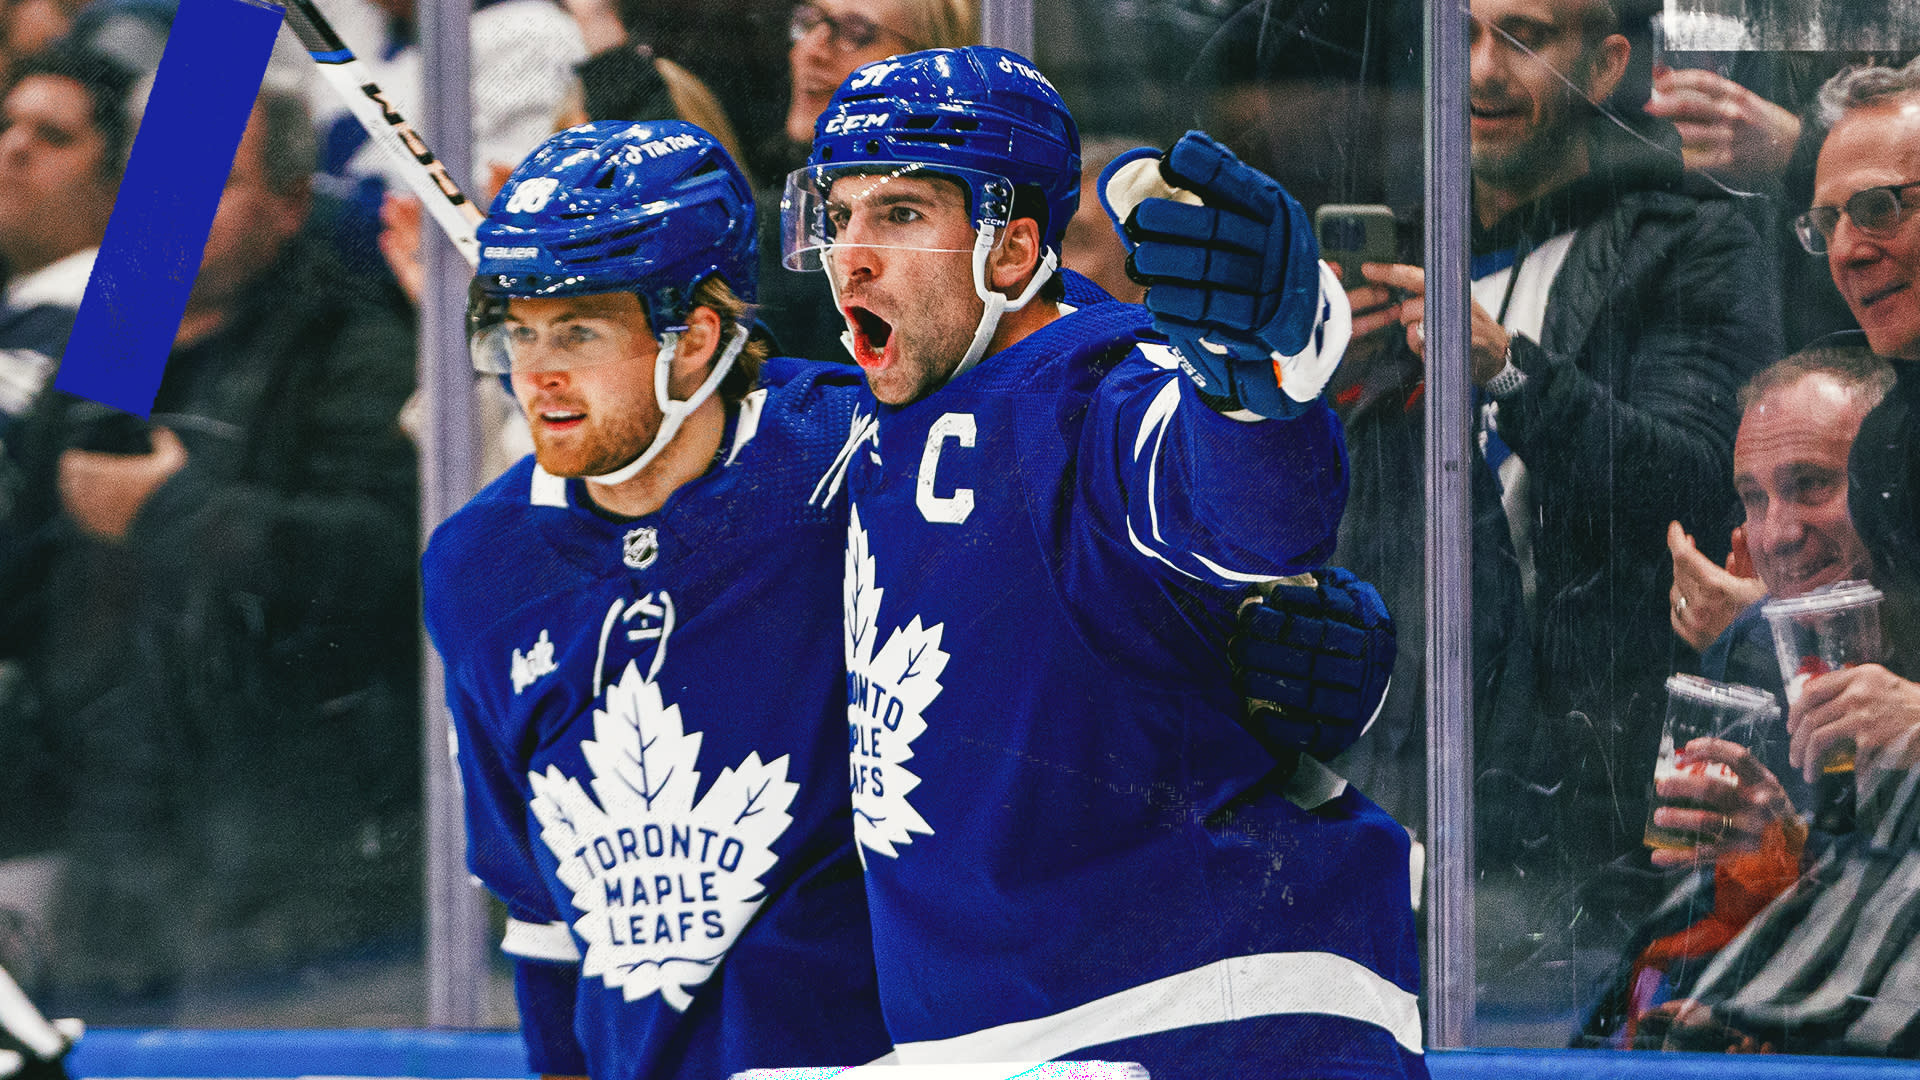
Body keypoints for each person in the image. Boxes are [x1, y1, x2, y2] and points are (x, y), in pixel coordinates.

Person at [783, 45, 1422, 1077]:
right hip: (1007, 1035)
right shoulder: (865, 419)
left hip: (1205, 1015)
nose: (851, 253)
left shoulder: (1093, 381)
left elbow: (1239, 506)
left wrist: (1264, 371)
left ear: (1011, 248)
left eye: (899, 215)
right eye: (839, 214)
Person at [420, 119, 891, 1079]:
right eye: (519, 332)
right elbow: (542, 910)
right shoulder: (479, 563)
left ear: (696, 340)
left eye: (580, 332)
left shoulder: (855, 454)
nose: (536, 374)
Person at [0, 84, 420, 998]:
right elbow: (28, 575)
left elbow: (387, 561)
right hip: (102, 830)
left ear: (291, 205)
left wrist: (174, 514)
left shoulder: (353, 348)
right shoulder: (105, 346)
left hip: (296, 852)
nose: (176, 208)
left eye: (215, 183)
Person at [1346, 0, 1777, 870]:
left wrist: (1508, 368)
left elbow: (1697, 483)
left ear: (1607, 65)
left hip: (1590, 789)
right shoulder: (1398, 259)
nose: (1481, 71)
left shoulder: (1690, 243)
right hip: (1410, 769)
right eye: (1460, 37)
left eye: (1524, 37)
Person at [0, 42, 132, 431]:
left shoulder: (117, 316)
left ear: (115, 183)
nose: (14, 146)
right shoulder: (20, 293)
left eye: (53, 136)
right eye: (5, 126)